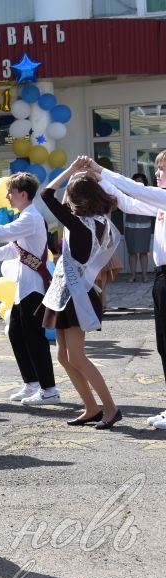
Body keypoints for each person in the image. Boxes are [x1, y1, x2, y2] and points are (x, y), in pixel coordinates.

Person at [38, 158, 122, 430]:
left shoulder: (78, 224)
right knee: (64, 356)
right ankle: (91, 407)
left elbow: (46, 195)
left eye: (72, 194)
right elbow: (61, 205)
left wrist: (71, 172)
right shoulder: (98, 221)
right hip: (69, 292)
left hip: (76, 295)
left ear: (78, 199)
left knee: (76, 356)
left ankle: (110, 408)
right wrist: (78, 178)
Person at [0, 172, 59, 407]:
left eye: (11, 192)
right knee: (16, 334)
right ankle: (33, 383)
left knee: (34, 339)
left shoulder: (31, 218)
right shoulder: (26, 216)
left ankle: (49, 389)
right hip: (24, 288)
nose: (7, 196)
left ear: (23, 194)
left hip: (34, 288)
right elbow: (13, 249)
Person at [91, 154, 166, 428]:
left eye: (161, 168)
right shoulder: (160, 202)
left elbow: (137, 190)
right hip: (161, 278)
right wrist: (102, 180)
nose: (157, 173)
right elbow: (129, 202)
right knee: (163, 346)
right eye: (157, 168)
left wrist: (101, 170)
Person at [124, 173, 153, 282]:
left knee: (144, 252)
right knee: (132, 252)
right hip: (130, 227)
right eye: (135, 181)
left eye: (140, 181)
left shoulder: (148, 194)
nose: (138, 183)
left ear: (144, 182)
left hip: (145, 227)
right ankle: (133, 276)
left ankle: (145, 276)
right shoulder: (128, 194)